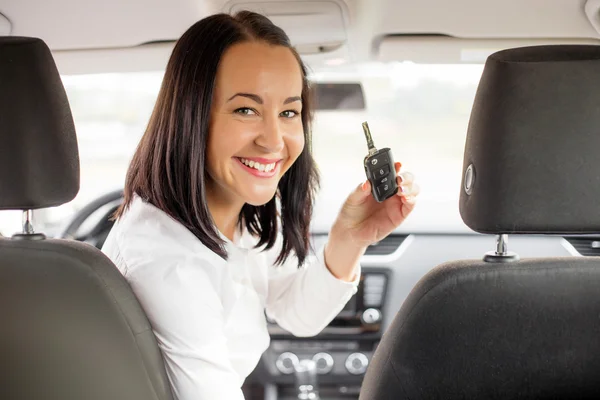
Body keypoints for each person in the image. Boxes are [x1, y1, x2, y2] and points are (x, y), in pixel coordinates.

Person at [101, 10, 419, 400]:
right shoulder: (168, 261)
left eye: (289, 112)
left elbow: (296, 313)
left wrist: (351, 237)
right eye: (246, 110)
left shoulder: (241, 212)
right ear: (191, 115)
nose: (274, 140)